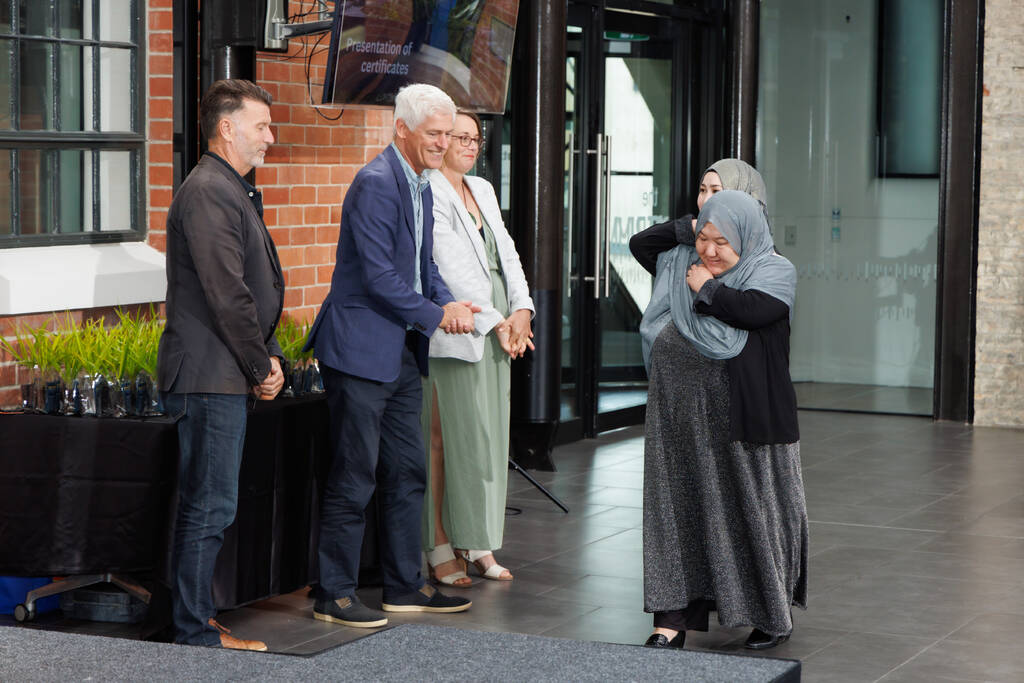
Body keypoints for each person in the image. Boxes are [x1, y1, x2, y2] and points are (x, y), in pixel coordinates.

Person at [305, 84, 478, 628]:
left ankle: (403, 587)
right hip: (358, 351)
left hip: (402, 351)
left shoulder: (422, 186)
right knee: (355, 475)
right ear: (401, 129)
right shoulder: (376, 183)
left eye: (448, 135)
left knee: (408, 472)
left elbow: (421, 268)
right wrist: (438, 315)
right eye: (435, 134)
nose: (443, 144)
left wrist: (445, 300)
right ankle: (333, 594)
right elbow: (380, 277)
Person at [634, 187, 808, 651]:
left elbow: (752, 312)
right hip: (679, 423)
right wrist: (691, 226)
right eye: (704, 240)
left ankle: (771, 615)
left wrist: (705, 289)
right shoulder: (680, 264)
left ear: (746, 238)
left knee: (750, 517)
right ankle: (669, 623)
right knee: (675, 517)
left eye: (721, 242)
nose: (709, 252)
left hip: (744, 424)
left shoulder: (774, 271)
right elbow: (642, 245)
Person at [157, 79, 285, 651]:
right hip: (210, 377)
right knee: (208, 507)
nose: (270, 138)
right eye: (261, 126)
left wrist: (268, 359)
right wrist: (262, 367)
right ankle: (193, 632)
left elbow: (250, 293)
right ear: (226, 128)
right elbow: (227, 294)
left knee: (211, 504)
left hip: (225, 372)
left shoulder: (230, 187)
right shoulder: (210, 189)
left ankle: (196, 621)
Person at [420, 110, 534, 587]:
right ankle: (440, 542)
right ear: (440, 142)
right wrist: (497, 322)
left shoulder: (482, 188)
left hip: (500, 327)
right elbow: (448, 267)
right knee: (446, 442)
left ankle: (476, 538)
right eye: (457, 137)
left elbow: (506, 252)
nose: (468, 145)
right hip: (462, 328)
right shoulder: (429, 188)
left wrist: (523, 309)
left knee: (486, 442)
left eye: (474, 138)